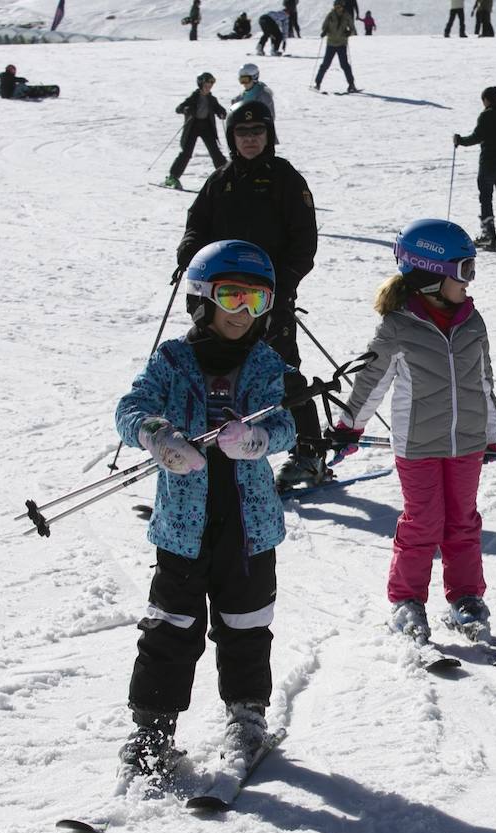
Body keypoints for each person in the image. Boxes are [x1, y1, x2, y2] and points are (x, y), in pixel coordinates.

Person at [114, 239, 296, 785]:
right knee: (171, 625)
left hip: (249, 527)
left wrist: (259, 439)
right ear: (201, 298)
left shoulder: (265, 362)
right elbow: (131, 408)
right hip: (182, 528)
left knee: (245, 623)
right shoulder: (173, 360)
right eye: (230, 297)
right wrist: (156, 436)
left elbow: (286, 423)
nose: (243, 313)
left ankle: (246, 715)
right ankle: (152, 727)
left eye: (257, 301)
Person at [331, 219, 496, 648]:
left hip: (465, 443)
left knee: (463, 521)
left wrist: (491, 433)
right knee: (424, 521)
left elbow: (484, 381)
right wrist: (350, 426)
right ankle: (408, 600)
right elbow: (371, 382)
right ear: (430, 275)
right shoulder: (398, 327)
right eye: (463, 271)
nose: (470, 282)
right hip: (417, 445)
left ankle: (466, 598)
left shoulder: (472, 320)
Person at [178, 101, 322, 489]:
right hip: (221, 299)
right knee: (215, 370)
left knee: (282, 371)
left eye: (258, 132)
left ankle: (310, 452)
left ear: (269, 136)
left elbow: (304, 241)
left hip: (268, 299)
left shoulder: (285, 178)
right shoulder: (220, 181)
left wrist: (284, 285)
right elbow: (197, 225)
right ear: (231, 139)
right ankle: (213, 445)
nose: (251, 139)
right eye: (243, 134)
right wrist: (188, 252)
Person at [454, 86, 496, 247]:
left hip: (489, 163)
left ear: (486, 100)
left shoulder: (486, 116)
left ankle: (488, 235)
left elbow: (477, 137)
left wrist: (460, 140)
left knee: (486, 197)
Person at [165, 73, 228, 190]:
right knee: (186, 153)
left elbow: (218, 109)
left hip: (206, 127)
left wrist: (222, 112)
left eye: (211, 84)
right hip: (193, 127)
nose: (209, 86)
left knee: (215, 152)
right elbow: (179, 108)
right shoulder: (193, 97)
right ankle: (173, 177)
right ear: (201, 84)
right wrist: (185, 109)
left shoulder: (211, 99)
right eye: (207, 83)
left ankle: (226, 175)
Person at [316, 0, 358, 92]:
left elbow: (353, 30)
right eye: (336, 7)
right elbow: (324, 26)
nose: (338, 8)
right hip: (331, 44)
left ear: (343, 7)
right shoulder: (330, 15)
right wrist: (324, 31)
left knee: (345, 65)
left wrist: (349, 33)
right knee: (325, 65)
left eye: (339, 6)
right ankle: (317, 83)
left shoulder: (347, 16)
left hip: (341, 44)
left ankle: (351, 84)